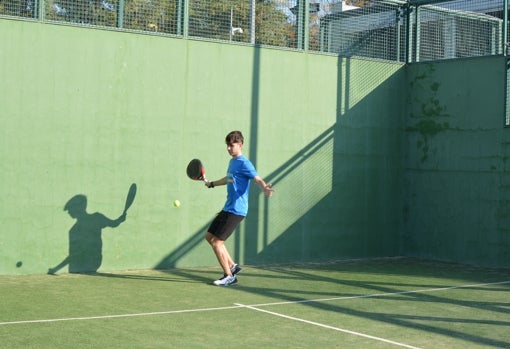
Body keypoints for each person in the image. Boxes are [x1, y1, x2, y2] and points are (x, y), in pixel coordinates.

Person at [205, 131, 274, 286]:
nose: (229, 148)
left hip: (237, 211)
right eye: (227, 145)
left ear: (240, 145)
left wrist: (264, 188)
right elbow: (228, 179)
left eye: (232, 145)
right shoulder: (232, 162)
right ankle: (233, 266)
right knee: (209, 236)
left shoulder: (244, 163)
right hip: (228, 207)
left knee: (217, 242)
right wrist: (212, 184)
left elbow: (257, 178)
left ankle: (229, 276)